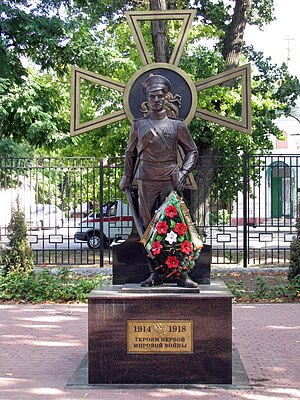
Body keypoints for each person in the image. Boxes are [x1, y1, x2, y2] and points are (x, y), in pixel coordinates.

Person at [120, 74, 198, 288]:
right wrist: (127, 177)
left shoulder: (177, 125)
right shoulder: (138, 126)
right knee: (149, 228)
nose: (156, 100)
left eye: (160, 96)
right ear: (147, 99)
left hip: (170, 179)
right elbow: (130, 154)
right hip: (146, 179)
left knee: (175, 225)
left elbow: (192, 151)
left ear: (166, 98)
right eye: (152, 96)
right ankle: (155, 273)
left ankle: (181, 273)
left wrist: (183, 172)